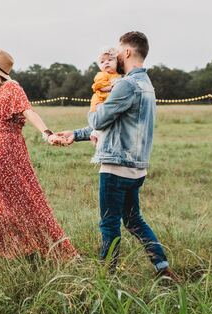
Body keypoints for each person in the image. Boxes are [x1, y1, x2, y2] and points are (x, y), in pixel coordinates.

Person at [56, 32, 178, 280]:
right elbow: (116, 124)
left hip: (115, 167)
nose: (116, 56)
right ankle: (162, 268)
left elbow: (100, 119)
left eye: (119, 51)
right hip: (137, 168)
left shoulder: (125, 84)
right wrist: (77, 134)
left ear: (128, 52)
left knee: (109, 224)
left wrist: (96, 106)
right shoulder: (147, 85)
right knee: (134, 221)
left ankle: (105, 277)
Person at [0, 48, 77, 259]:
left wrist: (47, 133)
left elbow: (28, 110)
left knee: (21, 197)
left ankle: (26, 246)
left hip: (6, 149)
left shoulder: (12, 87)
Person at [89, 47, 122, 147]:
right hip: (100, 99)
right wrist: (111, 87)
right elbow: (100, 87)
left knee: (109, 118)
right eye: (102, 62)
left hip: (109, 100)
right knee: (102, 115)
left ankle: (97, 134)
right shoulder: (102, 75)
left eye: (110, 60)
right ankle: (95, 133)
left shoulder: (119, 75)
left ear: (117, 62)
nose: (106, 63)